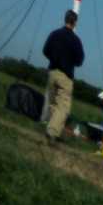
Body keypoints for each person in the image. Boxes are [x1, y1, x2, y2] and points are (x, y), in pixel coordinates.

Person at [41, 11, 84, 145]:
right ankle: (52, 132)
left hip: (52, 71)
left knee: (53, 103)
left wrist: (54, 59)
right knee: (63, 107)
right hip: (66, 75)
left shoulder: (55, 34)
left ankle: (54, 131)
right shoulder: (76, 40)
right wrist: (68, 62)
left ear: (65, 19)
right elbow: (79, 61)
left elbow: (45, 50)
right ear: (75, 22)